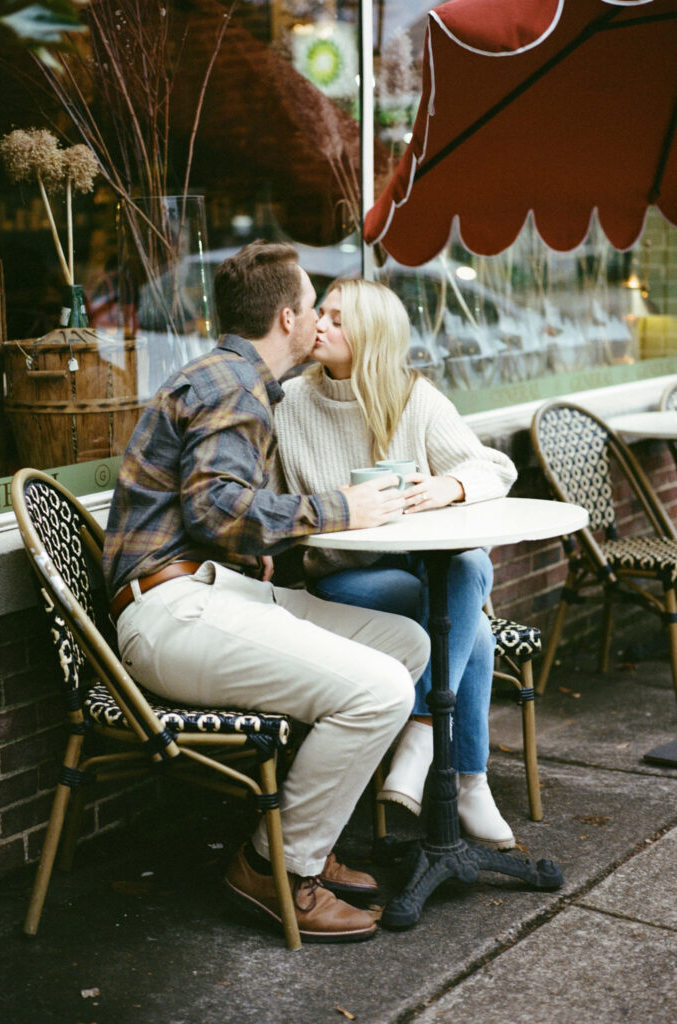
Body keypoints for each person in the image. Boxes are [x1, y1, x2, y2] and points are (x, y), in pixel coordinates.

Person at [102, 242, 430, 943]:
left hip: (207, 595)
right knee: (378, 690)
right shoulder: (232, 385)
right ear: (286, 318)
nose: (319, 319)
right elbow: (216, 511)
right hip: (170, 614)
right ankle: (274, 865)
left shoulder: (232, 378)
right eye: (314, 306)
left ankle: (308, 835)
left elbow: (215, 515)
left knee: (405, 643)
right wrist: (343, 508)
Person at [273, 277, 518, 849]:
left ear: (372, 335)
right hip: (340, 581)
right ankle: (466, 778)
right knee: (468, 616)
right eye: (321, 314)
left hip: (414, 575)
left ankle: (427, 736)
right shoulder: (290, 406)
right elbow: (270, 504)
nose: (319, 326)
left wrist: (450, 485)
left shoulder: (415, 397)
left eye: (336, 318)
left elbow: (496, 469)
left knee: (468, 573)